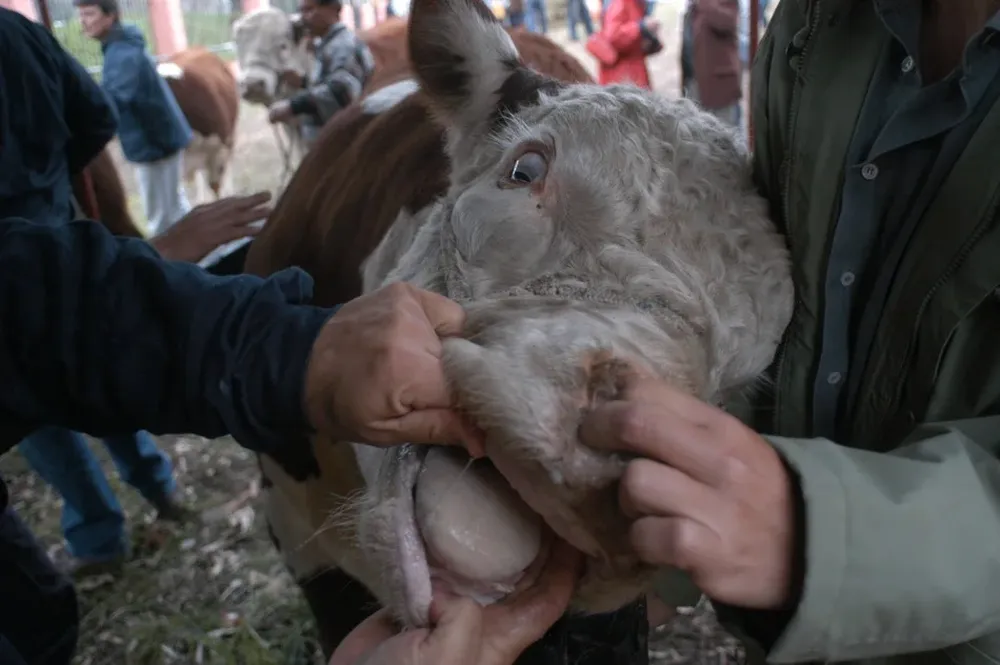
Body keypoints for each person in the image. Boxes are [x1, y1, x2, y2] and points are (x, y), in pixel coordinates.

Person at [577, 0, 1000, 664]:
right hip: (780, 629)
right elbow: (771, 298)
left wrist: (820, 537)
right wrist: (654, 552)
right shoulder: (818, 21)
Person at [0, 5, 268, 578]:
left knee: (40, 417)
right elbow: (92, 122)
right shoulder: (15, 31)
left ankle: (98, 533)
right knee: (94, 368)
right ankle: (156, 485)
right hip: (61, 234)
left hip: (16, 286)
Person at [75, 0, 195, 237]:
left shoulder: (122, 53)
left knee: (161, 218)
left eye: (89, 14)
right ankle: (208, 257)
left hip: (154, 143)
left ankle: (180, 267)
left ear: (110, 17)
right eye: (81, 15)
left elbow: (113, 100)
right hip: (157, 139)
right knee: (173, 207)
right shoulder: (119, 46)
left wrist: (84, 123)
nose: (83, 22)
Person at [267, 0, 375, 146]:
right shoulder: (327, 44)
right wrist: (304, 82)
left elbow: (341, 91)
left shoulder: (343, 45)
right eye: (302, 11)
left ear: (335, 9)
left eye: (310, 10)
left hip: (344, 143)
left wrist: (292, 106)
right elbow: (331, 82)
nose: (304, 18)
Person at [688, 0, 741, 127]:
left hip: (720, 85)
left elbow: (726, 23)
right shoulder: (695, 6)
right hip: (696, 82)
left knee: (725, 137)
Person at [594, 0, 659, 89]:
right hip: (623, 74)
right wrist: (641, 27)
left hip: (631, 69)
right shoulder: (620, 2)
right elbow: (614, 36)